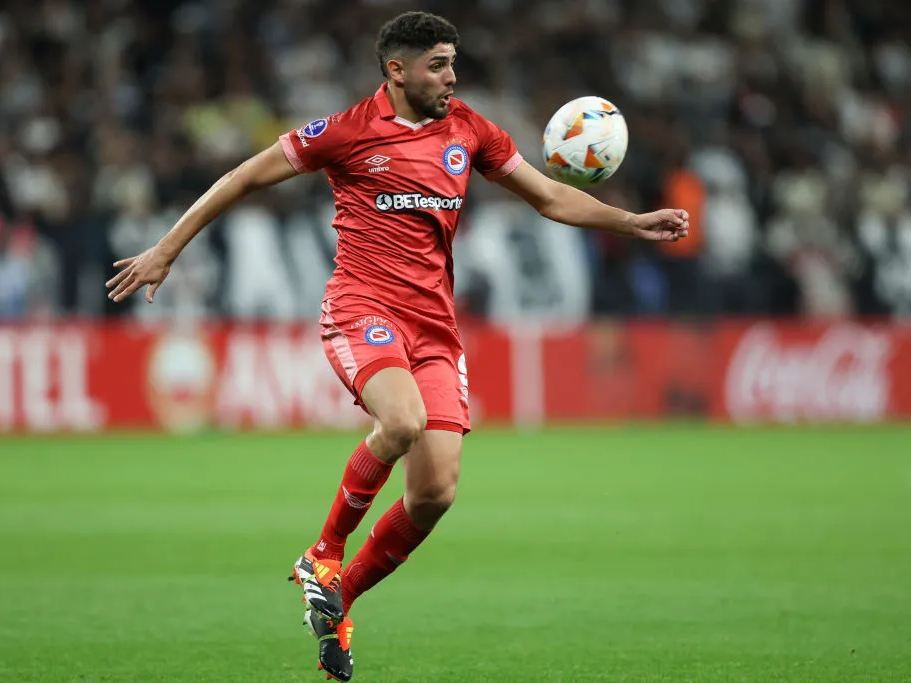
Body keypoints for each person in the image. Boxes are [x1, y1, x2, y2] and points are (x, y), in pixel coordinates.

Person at [106, 11, 688, 681]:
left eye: (452, 62)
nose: (451, 76)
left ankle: (339, 597)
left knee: (436, 491)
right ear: (397, 70)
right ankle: (322, 552)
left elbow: (550, 196)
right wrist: (165, 250)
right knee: (403, 420)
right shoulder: (347, 132)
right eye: (438, 64)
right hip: (361, 309)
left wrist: (630, 222)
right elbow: (242, 177)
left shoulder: (469, 129)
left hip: (435, 329)